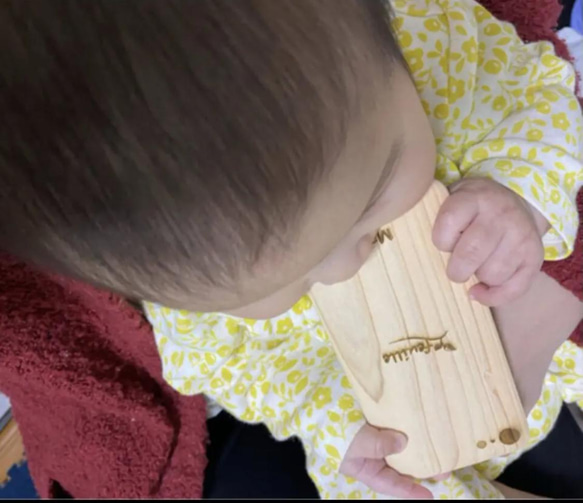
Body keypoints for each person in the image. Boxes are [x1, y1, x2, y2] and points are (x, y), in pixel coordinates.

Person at [1, 0, 582, 498]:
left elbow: (539, 93)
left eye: (372, 198)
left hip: (540, 327)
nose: (347, 263)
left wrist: (517, 193)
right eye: (296, 283)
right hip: (382, 409)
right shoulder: (193, 309)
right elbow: (246, 372)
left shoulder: (434, 43)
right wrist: (333, 422)